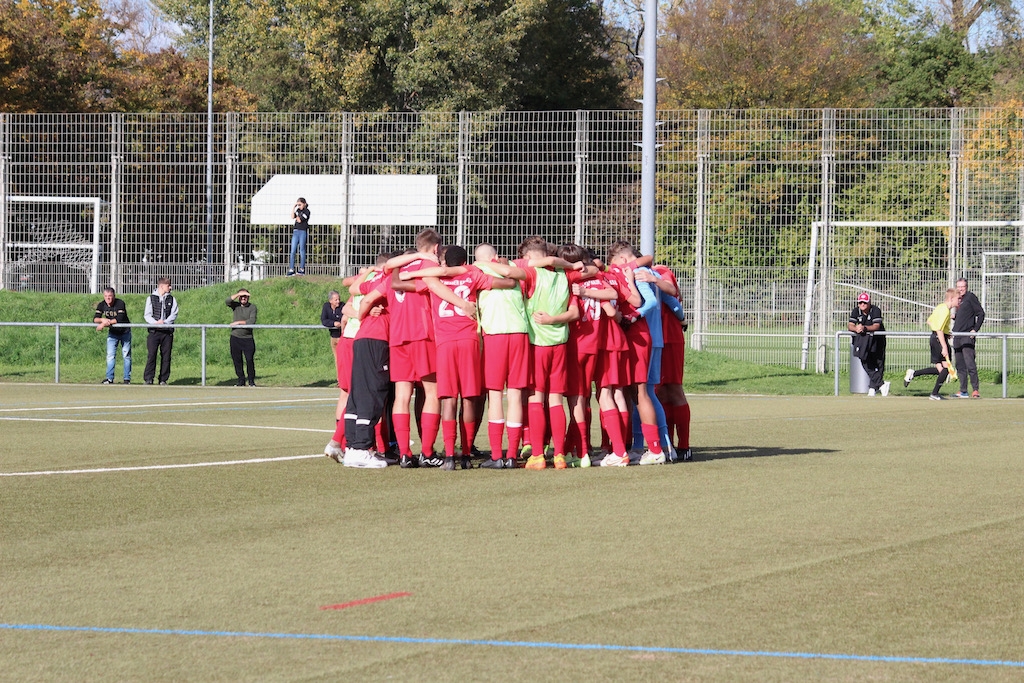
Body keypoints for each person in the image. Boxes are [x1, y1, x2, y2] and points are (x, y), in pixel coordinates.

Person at [904, 288, 959, 400]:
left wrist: (945, 333)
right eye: (958, 299)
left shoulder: (940, 307)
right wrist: (944, 345)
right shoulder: (945, 310)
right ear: (951, 298)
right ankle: (934, 394)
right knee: (946, 369)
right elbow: (939, 329)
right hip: (939, 340)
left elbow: (929, 321)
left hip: (935, 338)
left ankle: (914, 374)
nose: (959, 301)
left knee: (942, 370)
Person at [847, 291, 889, 397]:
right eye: (860, 302)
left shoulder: (875, 310)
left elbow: (876, 326)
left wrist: (865, 328)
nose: (862, 304)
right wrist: (856, 328)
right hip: (863, 341)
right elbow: (850, 325)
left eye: (864, 302)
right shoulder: (856, 311)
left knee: (878, 363)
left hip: (877, 340)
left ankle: (872, 388)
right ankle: (881, 384)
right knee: (864, 359)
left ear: (869, 302)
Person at [952, 277, 985, 398]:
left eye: (963, 287)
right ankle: (963, 390)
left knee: (970, 363)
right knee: (960, 365)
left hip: (967, 336)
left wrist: (975, 330)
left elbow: (981, 313)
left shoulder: (970, 297)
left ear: (966, 287)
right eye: (959, 287)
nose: (960, 289)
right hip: (957, 336)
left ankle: (975, 390)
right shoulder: (957, 299)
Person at [143, 277, 178, 385]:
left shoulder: (172, 299)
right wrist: (156, 323)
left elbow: (174, 314)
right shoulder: (151, 298)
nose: (170, 287)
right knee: (152, 355)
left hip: (167, 332)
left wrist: (165, 323)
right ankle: (148, 378)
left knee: (166, 356)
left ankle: (163, 379)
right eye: (168, 285)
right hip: (154, 332)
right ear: (162, 286)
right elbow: (147, 315)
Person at [93, 286, 132, 384]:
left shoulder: (120, 303)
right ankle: (109, 378)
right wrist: (102, 319)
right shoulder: (101, 304)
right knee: (110, 356)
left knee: (126, 355)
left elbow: (119, 318)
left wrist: (104, 324)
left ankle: (127, 379)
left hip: (125, 332)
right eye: (106, 296)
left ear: (114, 296)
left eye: (110, 296)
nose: (108, 298)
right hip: (113, 333)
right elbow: (95, 319)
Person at [227, 288, 258, 386]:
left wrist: (238, 323)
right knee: (237, 360)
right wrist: (238, 294)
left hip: (247, 338)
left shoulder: (252, 307)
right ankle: (241, 380)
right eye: (241, 296)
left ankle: (251, 381)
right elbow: (227, 301)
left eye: (245, 296)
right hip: (235, 338)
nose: (243, 298)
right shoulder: (235, 306)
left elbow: (251, 321)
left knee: (249, 360)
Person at [321, 290, 344, 379]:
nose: (338, 301)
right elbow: (324, 320)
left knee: (343, 359)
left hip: (342, 337)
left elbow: (344, 318)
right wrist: (333, 323)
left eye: (339, 299)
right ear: (330, 301)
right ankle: (340, 379)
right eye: (336, 300)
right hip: (333, 337)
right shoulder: (326, 306)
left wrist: (340, 323)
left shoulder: (343, 306)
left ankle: (344, 379)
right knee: (337, 359)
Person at [287, 198, 310, 276]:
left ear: (304, 204)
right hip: (296, 231)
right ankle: (291, 269)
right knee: (293, 250)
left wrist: (296, 215)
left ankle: (301, 269)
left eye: (300, 204)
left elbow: (300, 220)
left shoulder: (307, 212)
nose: (299, 206)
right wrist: (293, 208)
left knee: (302, 250)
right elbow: (292, 216)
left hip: (302, 231)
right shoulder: (298, 210)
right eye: (298, 205)